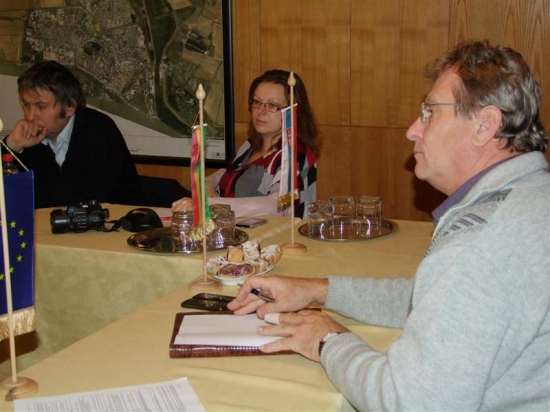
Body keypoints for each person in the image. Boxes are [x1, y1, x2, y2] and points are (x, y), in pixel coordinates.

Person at [228, 40, 550, 410]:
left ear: (485, 125)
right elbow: (429, 298)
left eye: (430, 112)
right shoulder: (528, 199)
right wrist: (316, 291)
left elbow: (410, 402)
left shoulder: (482, 243)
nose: (413, 130)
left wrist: (326, 338)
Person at [172, 69, 322, 218]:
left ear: (293, 112)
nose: (260, 111)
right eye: (257, 102)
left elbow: (278, 205)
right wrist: (209, 182)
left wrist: (212, 205)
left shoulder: (295, 153)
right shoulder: (250, 146)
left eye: (272, 105)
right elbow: (230, 172)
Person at [2, 60, 145, 208]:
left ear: (70, 107)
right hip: (50, 221)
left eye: (41, 107)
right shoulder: (27, 137)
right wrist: (12, 145)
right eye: (26, 105)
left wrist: (26, 196)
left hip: (119, 219)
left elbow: (93, 194)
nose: (30, 116)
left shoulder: (99, 129)